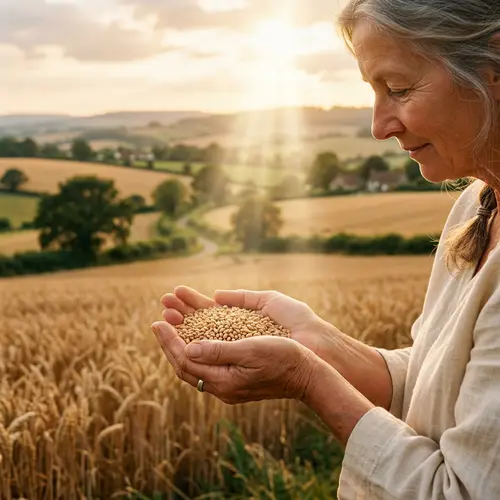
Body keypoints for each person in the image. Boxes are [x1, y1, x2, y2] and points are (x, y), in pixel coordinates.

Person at [151, 1, 500, 498]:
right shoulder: (476, 206)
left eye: (398, 89)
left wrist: (306, 377)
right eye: (374, 92)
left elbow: (461, 491)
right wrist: (322, 345)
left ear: (493, 68)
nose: (380, 126)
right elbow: (438, 388)